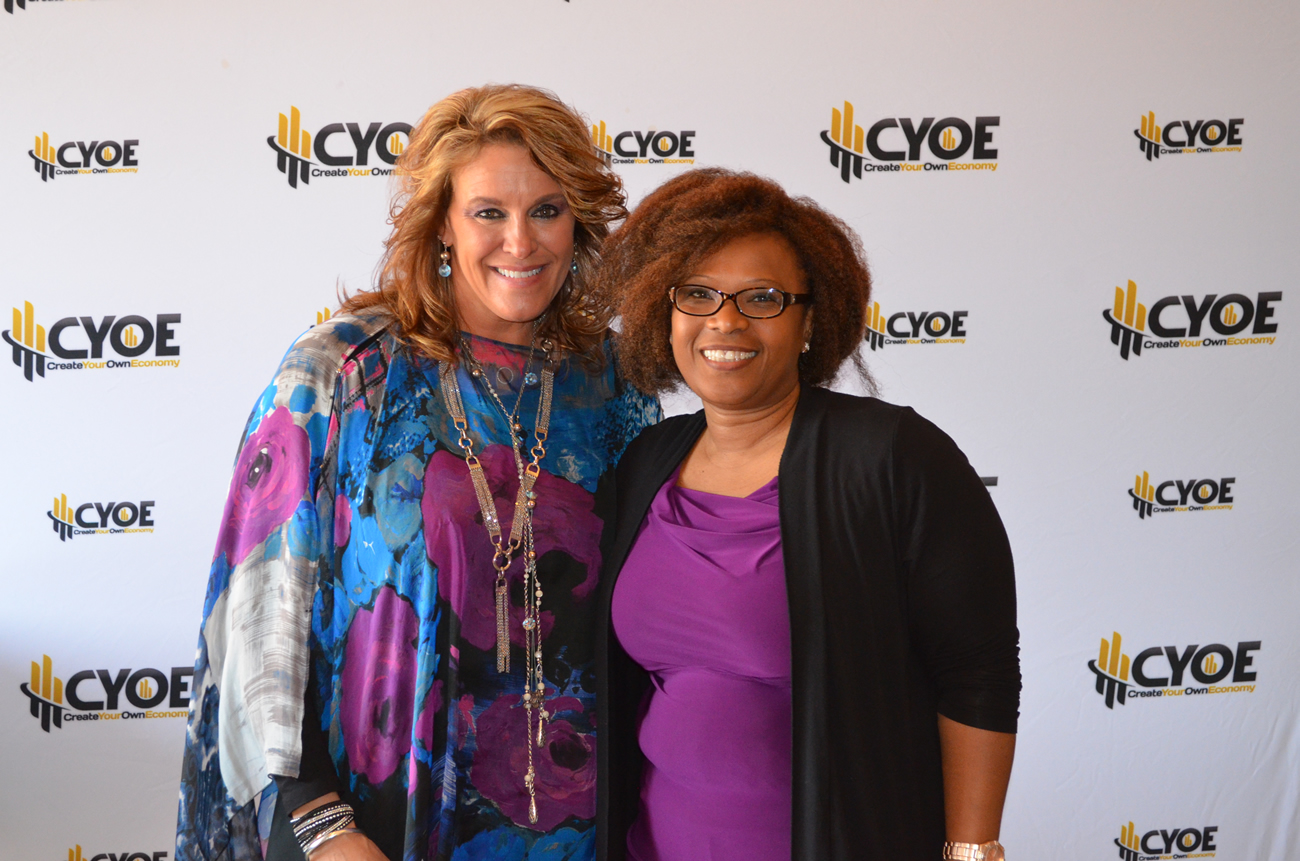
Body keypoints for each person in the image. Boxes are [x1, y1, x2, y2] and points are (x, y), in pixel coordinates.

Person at [176, 84, 659, 861]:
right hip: (376, 826)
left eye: (546, 210)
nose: (521, 241)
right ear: (440, 223)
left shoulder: (614, 382)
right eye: (489, 212)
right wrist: (319, 823)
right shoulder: (344, 373)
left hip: (577, 827)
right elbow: (257, 620)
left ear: (579, 222)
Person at [592, 169, 1020, 861]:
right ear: (661, 311)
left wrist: (971, 852)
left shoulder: (891, 457)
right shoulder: (647, 461)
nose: (725, 321)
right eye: (697, 293)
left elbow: (978, 671)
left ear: (810, 320)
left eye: (762, 298)